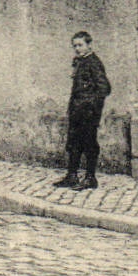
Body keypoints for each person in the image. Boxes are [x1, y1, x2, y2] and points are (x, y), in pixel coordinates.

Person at [53, 30, 110, 190]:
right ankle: (72, 176)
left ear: (89, 45)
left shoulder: (93, 62)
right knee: (74, 143)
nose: (77, 48)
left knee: (89, 144)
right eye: (75, 46)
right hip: (77, 111)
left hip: (88, 113)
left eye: (80, 45)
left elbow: (104, 88)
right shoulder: (79, 61)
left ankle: (90, 178)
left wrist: (89, 105)